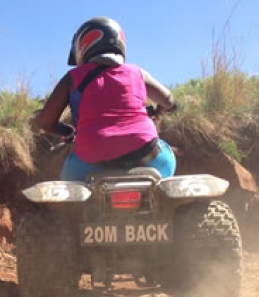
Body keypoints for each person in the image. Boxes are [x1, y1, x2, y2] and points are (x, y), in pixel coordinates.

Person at [38, 16, 178, 182]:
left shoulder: (73, 77)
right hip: (148, 157)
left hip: (90, 161)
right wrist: (158, 111)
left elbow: (45, 122)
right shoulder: (137, 72)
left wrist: (67, 131)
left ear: (82, 46)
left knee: (68, 179)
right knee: (167, 156)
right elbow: (169, 100)